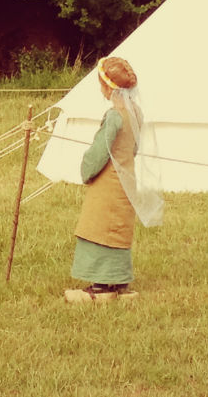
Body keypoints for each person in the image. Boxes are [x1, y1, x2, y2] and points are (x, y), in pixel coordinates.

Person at [64, 56, 164, 303]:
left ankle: (100, 287)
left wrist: (86, 170)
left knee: (100, 230)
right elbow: (134, 147)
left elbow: (100, 150)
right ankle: (120, 282)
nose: (101, 90)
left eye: (102, 85)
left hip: (108, 182)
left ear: (109, 87)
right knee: (119, 229)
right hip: (127, 179)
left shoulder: (115, 116)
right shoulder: (136, 113)